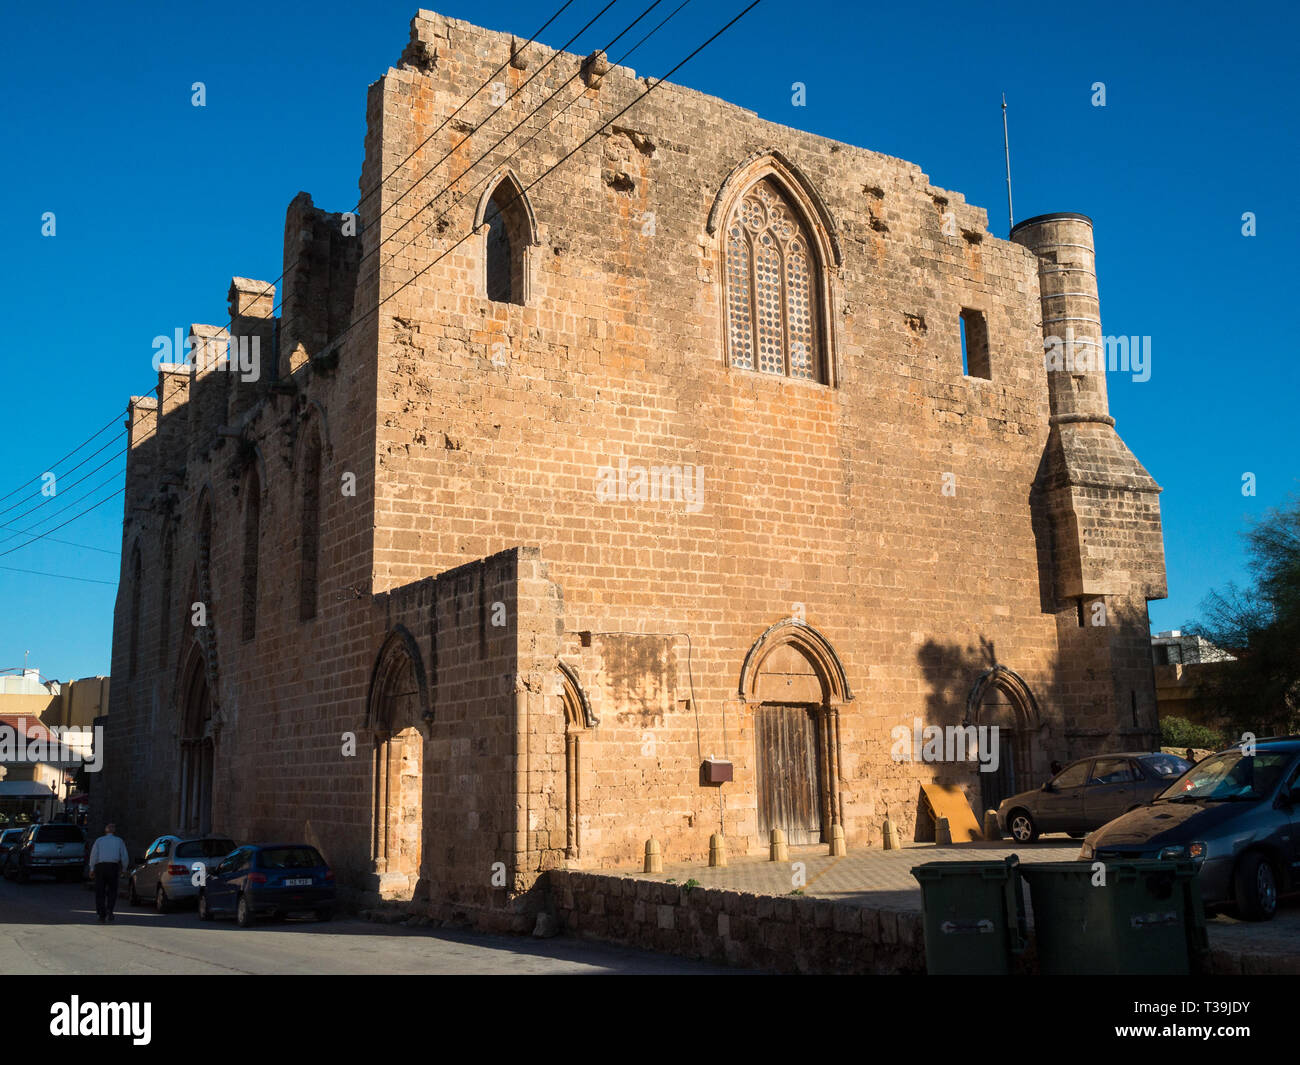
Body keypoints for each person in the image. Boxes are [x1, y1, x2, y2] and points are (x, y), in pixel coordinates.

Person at [88, 823, 130, 923]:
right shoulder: (119, 841)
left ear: (105, 830)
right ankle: (109, 910)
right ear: (114, 830)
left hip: (101, 867)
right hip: (113, 867)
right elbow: (124, 856)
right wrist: (124, 869)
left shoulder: (99, 840)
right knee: (112, 890)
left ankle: (101, 913)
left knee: (100, 891)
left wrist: (92, 868)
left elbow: (94, 855)